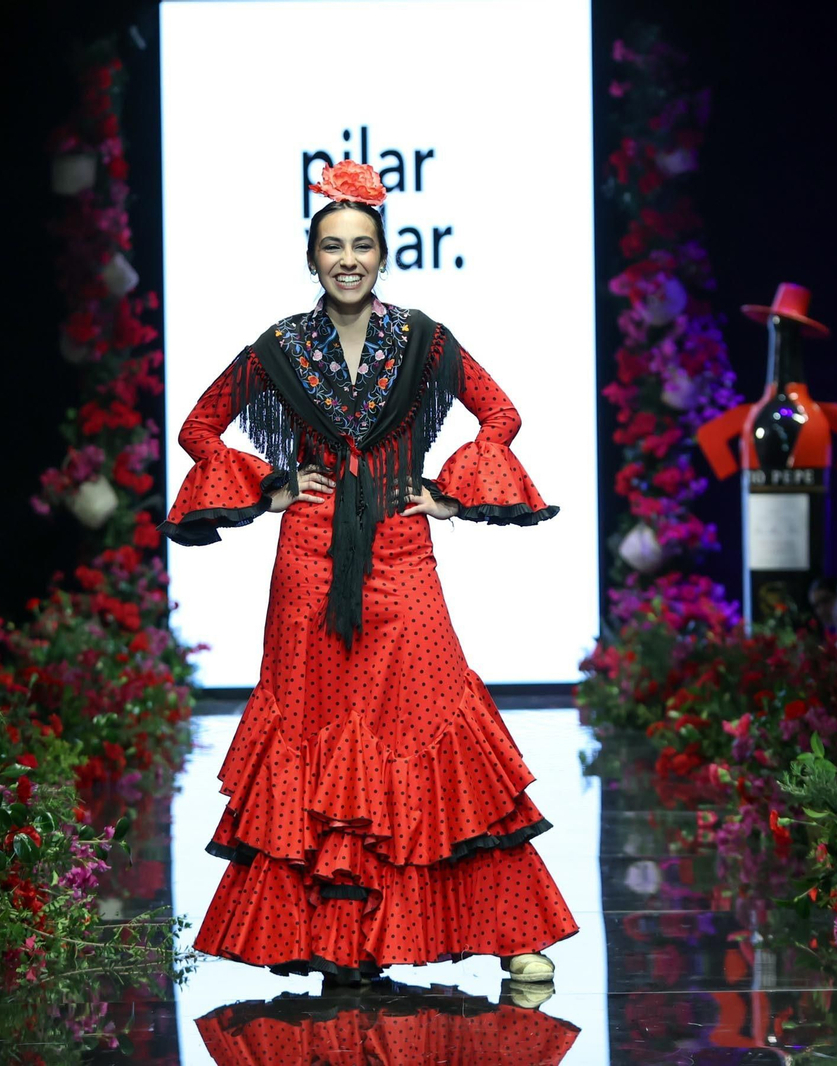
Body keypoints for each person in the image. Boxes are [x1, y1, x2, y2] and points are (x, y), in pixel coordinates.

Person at [159, 161, 576, 989]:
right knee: (320, 747)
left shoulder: (422, 338)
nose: (347, 259)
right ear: (311, 257)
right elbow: (199, 427)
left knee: (437, 730)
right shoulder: (280, 346)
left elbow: (504, 413)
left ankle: (513, 933)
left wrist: (453, 495)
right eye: (331, 246)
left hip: (402, 552)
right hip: (309, 561)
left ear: (384, 254)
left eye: (361, 246)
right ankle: (344, 940)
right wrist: (274, 486)